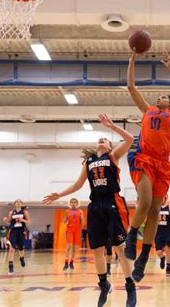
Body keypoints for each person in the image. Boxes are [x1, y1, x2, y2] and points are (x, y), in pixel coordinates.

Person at [43, 113, 137, 307]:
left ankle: (130, 286)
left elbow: (130, 139)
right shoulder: (89, 162)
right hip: (95, 206)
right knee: (96, 250)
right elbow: (78, 185)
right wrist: (59, 195)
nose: (101, 140)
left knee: (120, 248)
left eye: (105, 139)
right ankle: (104, 284)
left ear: (110, 146)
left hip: (112, 202)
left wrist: (112, 126)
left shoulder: (113, 156)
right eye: (99, 139)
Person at [125, 50, 170, 283]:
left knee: (153, 212)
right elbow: (131, 86)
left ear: (169, 105)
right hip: (144, 158)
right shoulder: (147, 110)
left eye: (164, 97)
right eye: (159, 96)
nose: (160, 98)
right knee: (146, 201)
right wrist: (132, 60)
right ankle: (131, 236)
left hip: (163, 165)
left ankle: (143, 257)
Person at [3, 199, 31, 274]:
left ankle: (22, 258)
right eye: (17, 202)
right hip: (13, 231)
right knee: (11, 249)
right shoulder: (11, 212)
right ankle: (10, 266)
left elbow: (29, 222)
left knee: (21, 249)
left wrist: (23, 220)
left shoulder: (25, 212)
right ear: (14, 204)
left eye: (20, 202)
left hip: (21, 231)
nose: (18, 203)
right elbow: (9, 221)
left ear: (21, 204)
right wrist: (6, 220)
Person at [155, 195, 170, 276]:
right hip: (158, 231)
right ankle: (162, 258)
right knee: (158, 251)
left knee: (167, 249)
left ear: (166, 198)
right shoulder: (156, 207)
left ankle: (168, 267)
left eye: (163, 197)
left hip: (167, 230)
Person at [63, 198, 84, 271]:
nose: (73, 203)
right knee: (69, 246)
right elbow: (64, 221)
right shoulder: (67, 211)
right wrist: (65, 220)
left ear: (77, 203)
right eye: (71, 202)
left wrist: (81, 217)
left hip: (77, 230)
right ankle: (66, 262)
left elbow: (82, 222)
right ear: (70, 203)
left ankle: (71, 262)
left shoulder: (80, 211)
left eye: (75, 202)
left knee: (74, 248)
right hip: (69, 230)